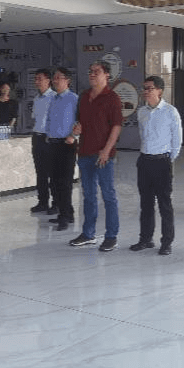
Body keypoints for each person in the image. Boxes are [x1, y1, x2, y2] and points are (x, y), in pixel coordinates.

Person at [68, 60, 123, 252]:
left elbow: (116, 127)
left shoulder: (112, 98)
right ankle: (88, 234)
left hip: (103, 155)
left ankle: (111, 236)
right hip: (84, 153)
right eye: (90, 71)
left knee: (108, 195)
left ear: (107, 74)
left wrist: (106, 150)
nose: (92, 74)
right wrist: (76, 130)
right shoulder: (84, 97)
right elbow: (80, 123)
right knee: (89, 196)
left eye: (96, 71)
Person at [131, 76, 182, 256]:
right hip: (144, 161)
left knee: (164, 204)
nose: (145, 91)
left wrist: (168, 159)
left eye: (149, 88)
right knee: (146, 204)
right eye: (144, 88)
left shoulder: (170, 112)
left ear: (160, 90)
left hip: (162, 162)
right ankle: (145, 239)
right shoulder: (142, 112)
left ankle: (166, 242)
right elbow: (142, 135)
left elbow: (177, 140)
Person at [44, 67, 79, 231]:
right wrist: (47, 135)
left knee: (65, 182)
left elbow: (81, 121)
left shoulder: (74, 99)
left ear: (67, 80)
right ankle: (67, 213)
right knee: (55, 181)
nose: (55, 80)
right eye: (54, 78)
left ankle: (64, 217)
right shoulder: (53, 99)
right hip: (52, 143)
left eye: (59, 77)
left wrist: (73, 136)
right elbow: (50, 119)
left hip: (67, 144)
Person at [29, 69, 56, 214]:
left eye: (39, 78)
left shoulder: (54, 97)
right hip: (37, 137)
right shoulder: (36, 98)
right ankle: (42, 202)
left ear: (48, 80)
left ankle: (56, 204)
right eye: (35, 79)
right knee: (40, 172)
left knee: (53, 172)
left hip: (49, 138)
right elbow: (35, 118)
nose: (36, 82)